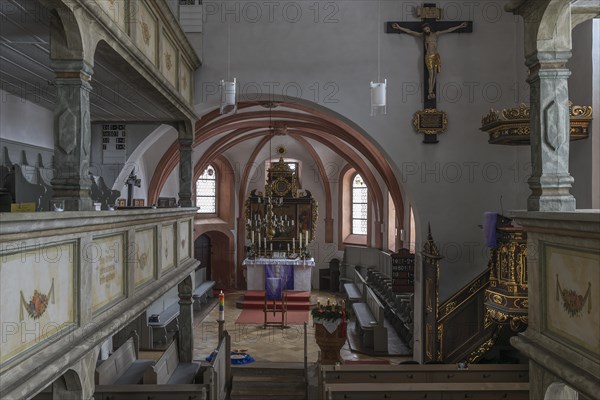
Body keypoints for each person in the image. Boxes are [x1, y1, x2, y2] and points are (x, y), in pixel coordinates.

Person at [392, 22, 468, 99]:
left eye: (427, 29)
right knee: (431, 74)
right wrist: (399, 27)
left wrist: (459, 26)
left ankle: (431, 92)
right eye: (425, 30)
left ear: (430, 28)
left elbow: (448, 30)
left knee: (435, 74)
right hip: (429, 57)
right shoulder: (423, 35)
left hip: (436, 56)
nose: (426, 31)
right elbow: (410, 31)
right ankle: (430, 91)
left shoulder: (436, 34)